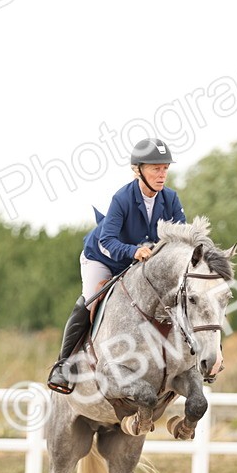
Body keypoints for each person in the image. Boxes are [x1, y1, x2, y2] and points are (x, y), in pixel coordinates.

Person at [46, 137, 187, 394]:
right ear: (138, 170)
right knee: (90, 299)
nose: (162, 174)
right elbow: (107, 239)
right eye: (156, 168)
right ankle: (64, 365)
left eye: (165, 168)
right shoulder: (122, 198)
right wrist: (135, 251)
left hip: (141, 264)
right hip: (103, 258)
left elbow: (181, 238)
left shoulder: (171, 199)